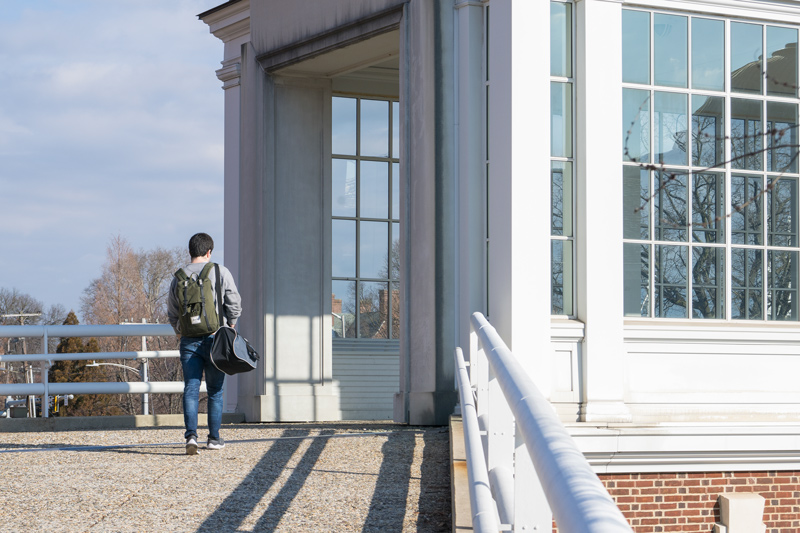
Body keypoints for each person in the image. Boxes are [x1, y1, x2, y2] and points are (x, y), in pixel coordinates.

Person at [167, 232, 242, 455]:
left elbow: (172, 313)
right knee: (215, 391)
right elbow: (235, 302)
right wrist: (230, 324)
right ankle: (214, 438)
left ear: (190, 251)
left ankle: (191, 436)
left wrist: (181, 333)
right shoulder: (220, 271)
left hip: (189, 340)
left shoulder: (178, 277)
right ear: (209, 252)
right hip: (215, 338)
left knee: (190, 389)